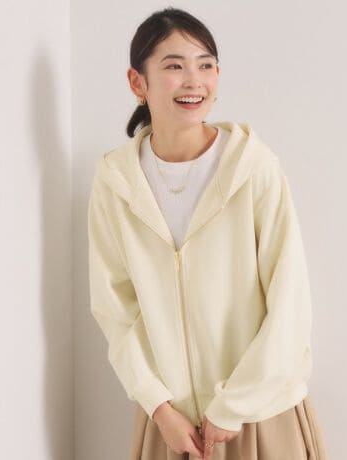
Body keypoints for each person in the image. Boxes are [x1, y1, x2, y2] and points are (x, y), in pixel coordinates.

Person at [87, 6, 329, 460]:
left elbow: (290, 303)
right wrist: (160, 408)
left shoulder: (253, 169)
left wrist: (232, 407)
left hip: (260, 418)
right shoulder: (116, 182)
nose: (194, 81)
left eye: (206, 65)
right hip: (170, 426)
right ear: (138, 82)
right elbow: (114, 309)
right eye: (174, 66)